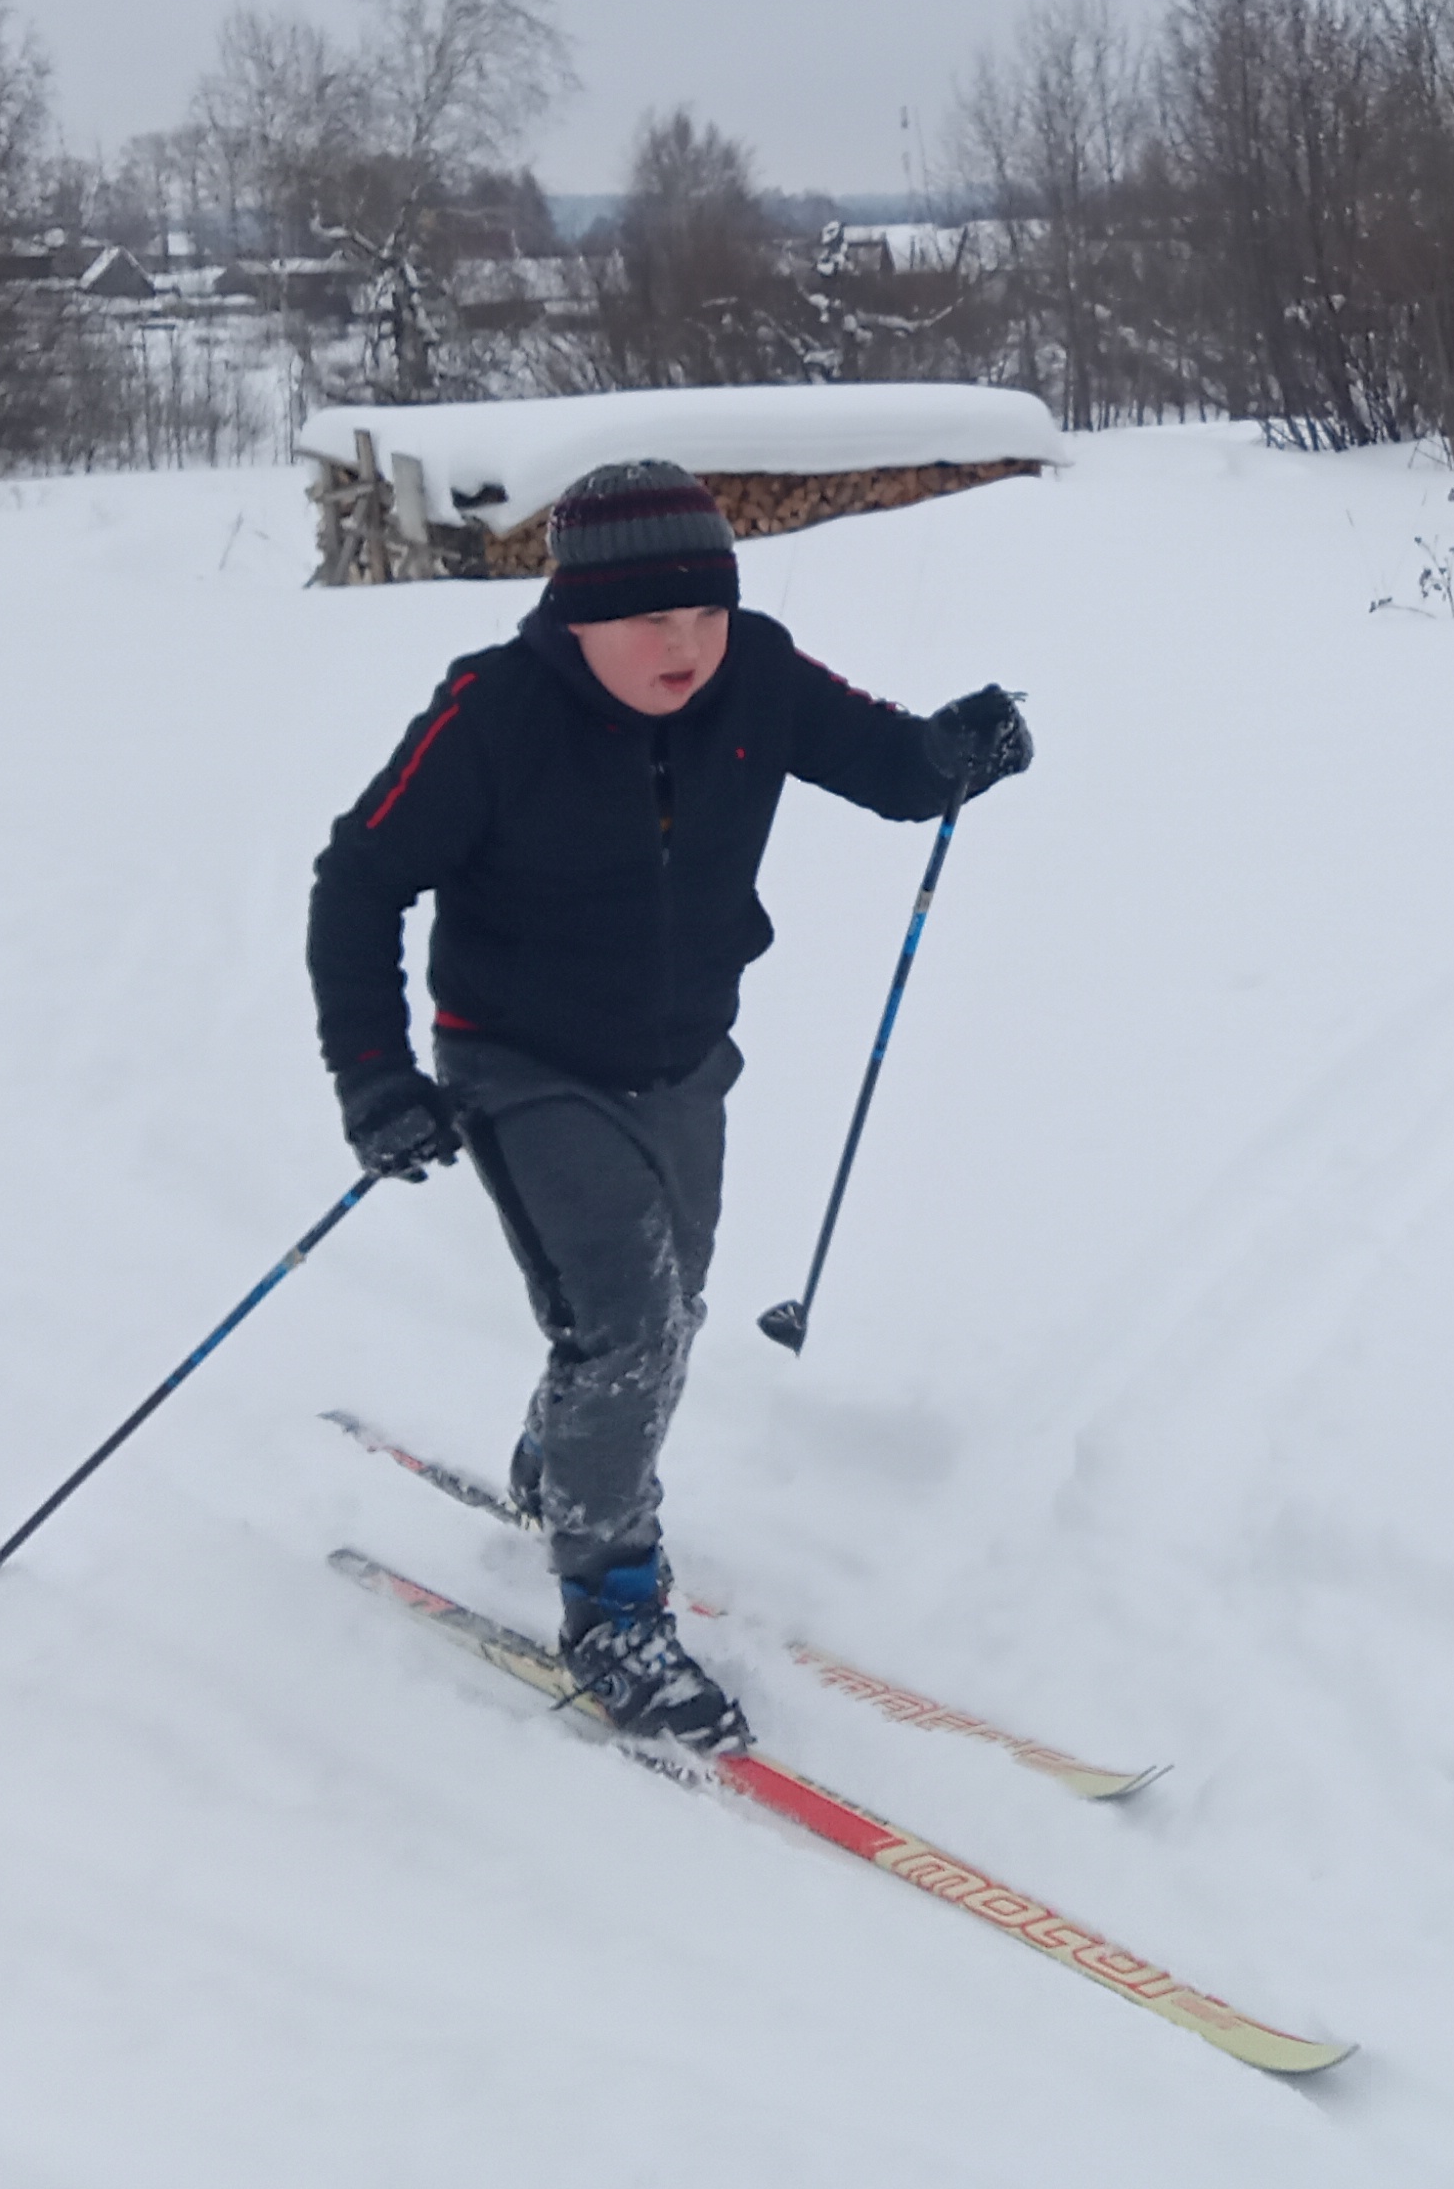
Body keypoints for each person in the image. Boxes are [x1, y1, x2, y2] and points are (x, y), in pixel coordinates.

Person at [306, 458, 1030, 1748]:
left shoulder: (756, 672)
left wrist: (955, 754)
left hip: (687, 1058)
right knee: (634, 1324)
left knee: (663, 1310)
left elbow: (885, 763)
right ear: (574, 615)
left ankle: (560, 1459)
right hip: (520, 1065)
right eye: (650, 619)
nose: (685, 645)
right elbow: (359, 883)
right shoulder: (493, 713)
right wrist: (374, 1077)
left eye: (705, 612)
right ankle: (612, 1606)